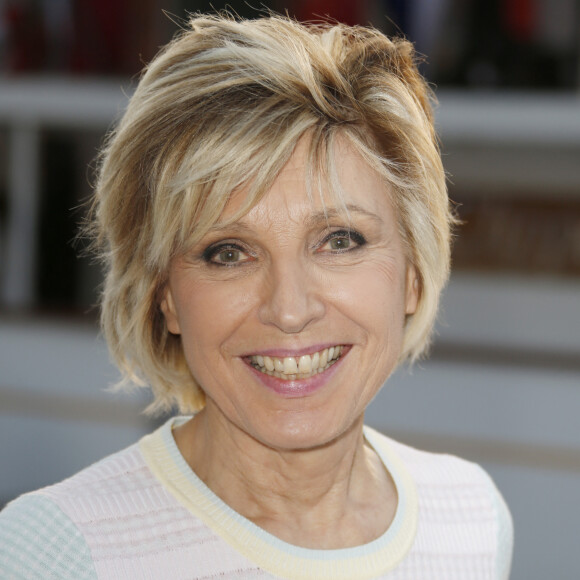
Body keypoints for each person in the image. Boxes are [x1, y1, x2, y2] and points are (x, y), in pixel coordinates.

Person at [0, 13, 513, 579]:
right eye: (228, 253)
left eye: (340, 241)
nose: (289, 310)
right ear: (164, 293)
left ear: (414, 271)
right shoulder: (58, 551)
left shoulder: (471, 519)